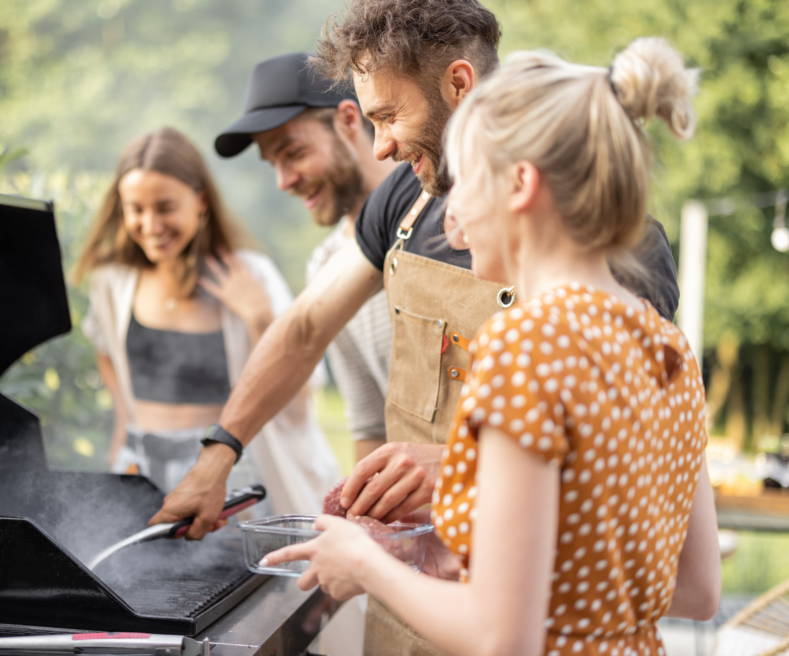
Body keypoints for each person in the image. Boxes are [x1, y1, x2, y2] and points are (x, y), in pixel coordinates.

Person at [150, 1, 679, 651]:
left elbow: (623, 477)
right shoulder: (401, 200)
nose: (380, 147)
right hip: (412, 596)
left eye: (389, 115)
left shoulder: (610, 268)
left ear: (459, 84)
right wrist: (219, 452)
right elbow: (306, 326)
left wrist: (464, 468)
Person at [263, 37, 722, 656]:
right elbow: (696, 590)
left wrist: (367, 568)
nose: (450, 221)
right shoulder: (666, 348)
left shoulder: (525, 345)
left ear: (520, 186)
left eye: (465, 184)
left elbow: (502, 636)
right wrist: (449, 556)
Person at [75, 127, 340, 514]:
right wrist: (122, 426)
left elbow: (299, 395)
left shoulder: (251, 274)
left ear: (200, 200)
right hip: (139, 467)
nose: (150, 225)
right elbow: (105, 350)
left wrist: (259, 315)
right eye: (136, 209)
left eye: (165, 207)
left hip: (225, 470)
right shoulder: (112, 281)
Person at [215, 52, 399, 464]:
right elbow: (370, 425)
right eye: (273, 164)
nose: (283, 181)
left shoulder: (441, 217)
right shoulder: (324, 265)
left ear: (349, 120)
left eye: (293, 153)